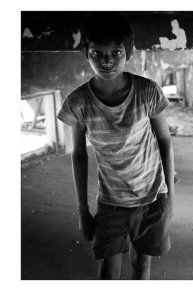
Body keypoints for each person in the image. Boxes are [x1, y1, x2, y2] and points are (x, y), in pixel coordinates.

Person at [57, 12, 174, 279]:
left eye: (116, 52)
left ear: (128, 52)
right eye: (97, 52)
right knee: (108, 272)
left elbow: (165, 141)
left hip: (152, 195)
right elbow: (78, 155)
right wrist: (83, 210)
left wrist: (171, 201)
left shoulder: (147, 92)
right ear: (85, 51)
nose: (107, 60)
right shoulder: (78, 102)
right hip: (111, 201)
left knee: (142, 265)